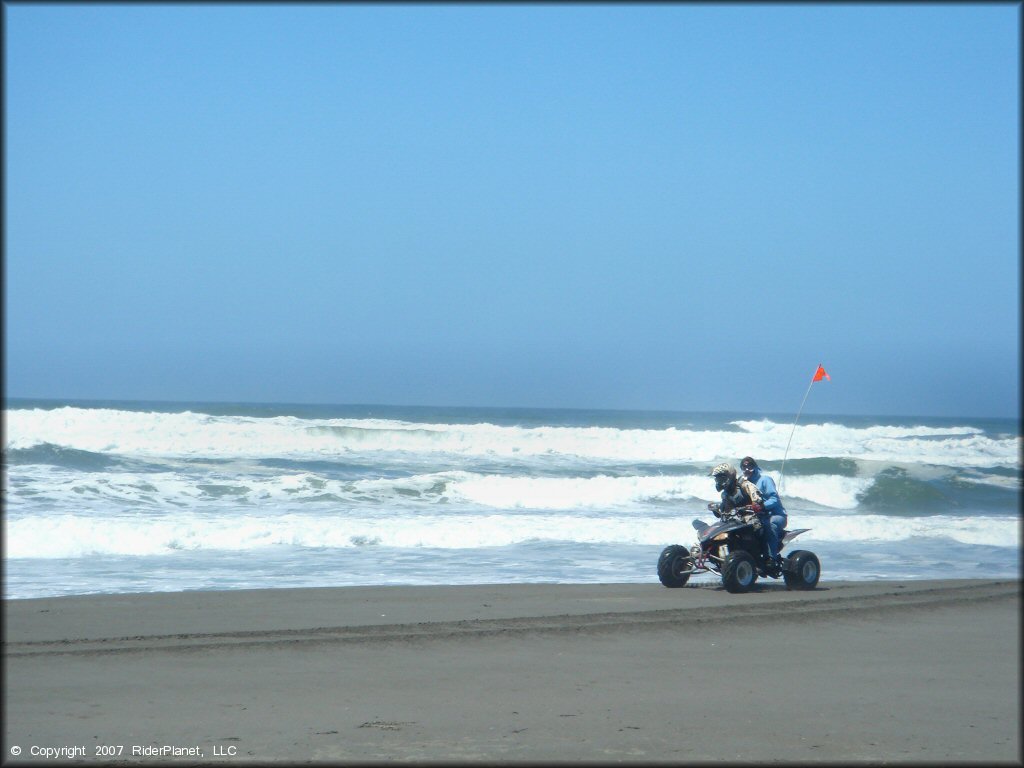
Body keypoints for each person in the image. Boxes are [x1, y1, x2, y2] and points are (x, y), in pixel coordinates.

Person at [740, 456, 787, 566]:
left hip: (776, 515)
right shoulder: (743, 483)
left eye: (750, 466)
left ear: (755, 467)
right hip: (756, 517)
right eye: (744, 467)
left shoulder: (765, 480)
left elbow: (774, 499)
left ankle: (771, 558)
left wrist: (762, 506)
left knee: (770, 525)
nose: (747, 469)